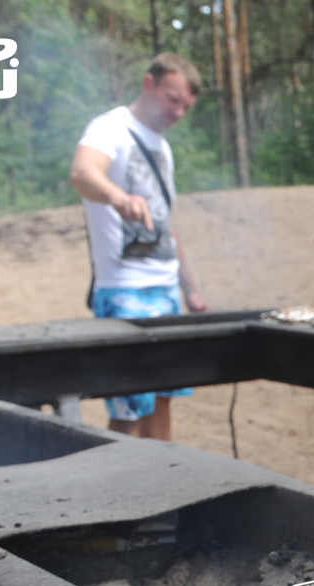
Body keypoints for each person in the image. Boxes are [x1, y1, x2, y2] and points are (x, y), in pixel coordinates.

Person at [70, 53, 208, 441]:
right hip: (123, 290)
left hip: (165, 290)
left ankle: (163, 486)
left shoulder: (162, 148)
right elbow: (82, 173)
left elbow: (166, 226)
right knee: (130, 407)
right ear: (149, 84)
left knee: (164, 399)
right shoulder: (110, 128)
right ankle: (120, 497)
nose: (178, 112)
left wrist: (191, 288)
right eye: (171, 99)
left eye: (185, 106)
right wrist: (118, 197)